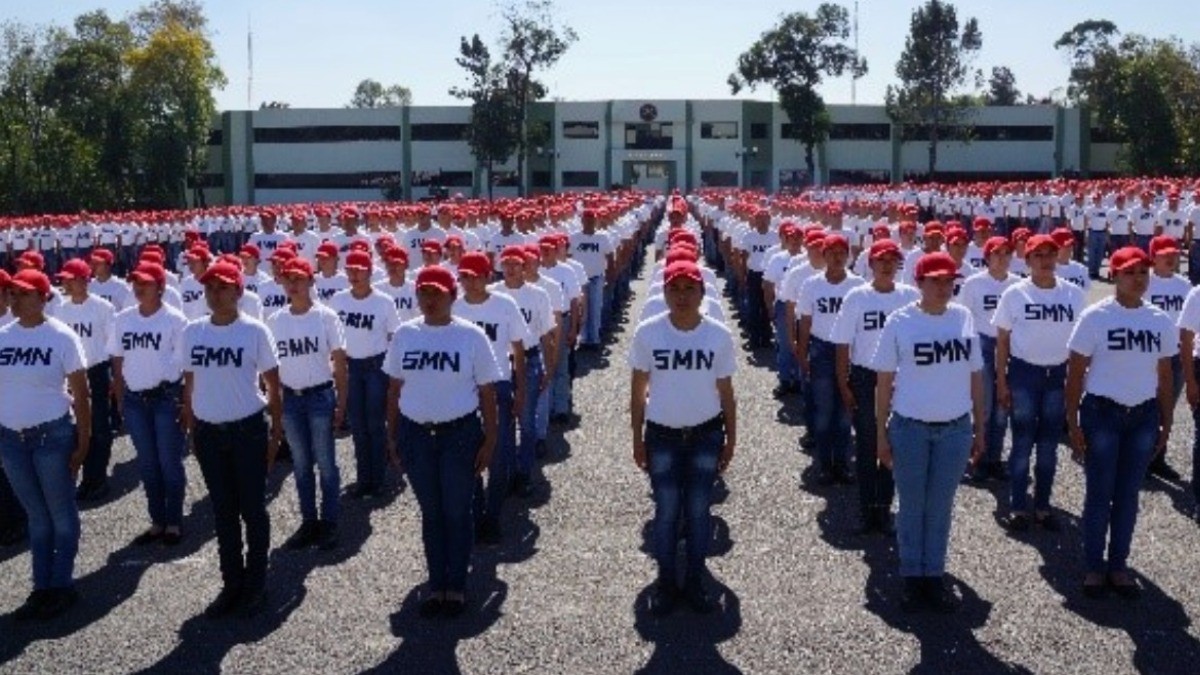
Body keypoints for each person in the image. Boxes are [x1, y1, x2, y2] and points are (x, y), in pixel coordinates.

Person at [383, 265, 500, 619]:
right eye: (424, 292)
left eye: (437, 293)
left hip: (459, 436)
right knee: (432, 513)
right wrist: (392, 436)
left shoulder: (471, 336)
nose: (430, 299)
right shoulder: (405, 334)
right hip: (416, 435)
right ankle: (437, 585)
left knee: (457, 511)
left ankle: (457, 586)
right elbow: (394, 389)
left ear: (453, 295)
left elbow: (487, 392)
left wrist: (490, 439)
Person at [872, 252, 984, 613]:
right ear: (919, 282)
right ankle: (911, 576)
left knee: (940, 506)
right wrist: (880, 433)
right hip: (910, 428)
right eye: (935, 280)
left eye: (949, 280)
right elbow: (884, 382)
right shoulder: (900, 321)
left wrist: (980, 428)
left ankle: (933, 575)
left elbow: (975, 375)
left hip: (955, 428)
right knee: (911, 505)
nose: (943, 286)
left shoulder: (963, 317)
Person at [629, 260, 737, 617]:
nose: (682, 296)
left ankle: (694, 580)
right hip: (662, 435)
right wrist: (637, 438)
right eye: (674, 289)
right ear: (664, 293)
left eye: (690, 288)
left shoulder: (717, 335)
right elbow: (638, 390)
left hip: (706, 433)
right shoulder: (648, 333)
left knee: (698, 510)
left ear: (702, 293)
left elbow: (726, 391)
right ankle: (665, 582)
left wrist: (731, 438)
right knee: (666, 511)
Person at [1066, 246, 1175, 598]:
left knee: (1128, 495)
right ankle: (1093, 566)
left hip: (1143, 415)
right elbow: (1076, 372)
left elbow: (1165, 374)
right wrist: (1072, 421)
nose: (1138, 279)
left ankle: (1118, 565)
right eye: (1130, 272)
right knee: (1100, 492)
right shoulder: (1095, 317)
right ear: (1113, 275)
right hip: (1102, 414)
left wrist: (1167, 421)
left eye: (1143, 272)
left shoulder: (1159, 319)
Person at [181, 261, 283, 619]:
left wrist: (276, 433)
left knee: (252, 509)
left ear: (239, 291)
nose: (215, 293)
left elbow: (273, 385)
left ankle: (256, 583)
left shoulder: (255, 331)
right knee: (223, 511)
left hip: (247, 431)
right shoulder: (192, 332)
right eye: (210, 287)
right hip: (209, 433)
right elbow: (190, 384)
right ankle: (232, 583)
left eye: (223, 287)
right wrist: (192, 428)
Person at [0, 269, 91, 620]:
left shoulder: (61, 337)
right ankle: (42, 587)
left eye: (25, 293)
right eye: (13, 293)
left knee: (60, 514)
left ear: (43, 298)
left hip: (51, 436)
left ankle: (62, 584)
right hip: (11, 439)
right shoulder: (3, 336)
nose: (16, 299)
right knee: (36, 516)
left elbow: (81, 394)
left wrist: (83, 441)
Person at [993, 234, 1084, 532]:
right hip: (1024, 374)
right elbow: (1002, 340)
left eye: (1050, 254)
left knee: (1048, 445)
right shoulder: (1014, 294)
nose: (1045, 261)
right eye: (1038, 255)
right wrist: (1001, 381)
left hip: (1057, 376)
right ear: (1028, 260)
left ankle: (1043, 505)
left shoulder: (1073, 294)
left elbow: (1081, 342)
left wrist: (1078, 381)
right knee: (1021, 441)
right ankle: (1018, 504)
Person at [832, 240, 919, 534]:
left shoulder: (909, 296)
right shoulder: (857, 297)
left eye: (892, 260)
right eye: (881, 260)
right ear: (870, 264)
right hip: (866, 377)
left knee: (894, 442)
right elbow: (842, 343)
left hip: (901, 378)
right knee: (868, 443)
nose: (886, 265)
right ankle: (866, 507)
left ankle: (884, 506)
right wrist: (843, 382)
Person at [267, 258, 347, 551]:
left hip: (319, 397)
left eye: (299, 278)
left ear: (311, 281)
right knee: (301, 465)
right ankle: (309, 521)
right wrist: (274, 405)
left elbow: (340, 363)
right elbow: (271, 368)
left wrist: (342, 403)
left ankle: (330, 522)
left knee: (326, 463)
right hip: (291, 399)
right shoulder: (275, 320)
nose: (293, 284)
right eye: (288, 278)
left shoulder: (326, 317)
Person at [109, 262, 188, 547]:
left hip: (166, 398)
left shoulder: (175, 320)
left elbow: (187, 366)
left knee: (169, 461)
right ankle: (157, 520)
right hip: (134, 400)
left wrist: (186, 402)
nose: (139, 288)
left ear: (161, 287)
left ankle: (174, 521)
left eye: (145, 283)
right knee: (147, 462)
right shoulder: (123, 319)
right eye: (136, 283)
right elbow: (117, 359)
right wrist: (120, 396)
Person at [452, 252, 528, 545]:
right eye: (465, 277)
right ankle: (475, 510)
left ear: (487, 277)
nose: (470, 282)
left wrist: (521, 389)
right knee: (468, 453)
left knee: (499, 455)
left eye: (476, 277)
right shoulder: (455, 307)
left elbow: (518, 349)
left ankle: (492, 515)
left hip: (498, 386)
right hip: (465, 389)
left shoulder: (504, 305)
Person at [328, 250, 400, 499]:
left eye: (359, 270)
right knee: (357, 424)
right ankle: (363, 478)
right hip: (350, 366)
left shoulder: (384, 301)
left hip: (375, 366)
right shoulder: (338, 300)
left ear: (369, 272)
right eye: (350, 270)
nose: (354, 274)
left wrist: (393, 372)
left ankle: (377, 478)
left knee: (375, 423)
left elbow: (394, 337)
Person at [795, 234, 864, 485]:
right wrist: (802, 353)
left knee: (845, 409)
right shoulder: (811, 285)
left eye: (841, 252)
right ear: (823, 255)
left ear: (848, 256)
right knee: (824, 408)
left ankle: (843, 462)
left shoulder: (858, 285)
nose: (837, 257)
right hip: (822, 349)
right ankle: (825, 463)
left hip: (850, 350)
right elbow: (805, 322)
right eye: (831, 252)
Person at [956, 236, 1021, 482]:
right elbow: (963, 318)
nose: (1002, 258)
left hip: (1009, 346)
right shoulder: (973, 283)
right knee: (983, 405)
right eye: (997, 253)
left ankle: (994, 458)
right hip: (982, 344)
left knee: (1002, 406)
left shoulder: (1017, 284)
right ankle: (978, 458)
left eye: (1006, 253)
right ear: (987, 256)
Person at [52, 258, 116, 502]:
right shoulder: (61, 309)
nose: (65, 284)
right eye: (64, 280)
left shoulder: (102, 307)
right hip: (71, 374)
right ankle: (82, 477)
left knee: (99, 427)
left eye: (70, 279)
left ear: (83, 280)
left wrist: (114, 376)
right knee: (78, 427)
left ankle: (96, 479)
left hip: (96, 371)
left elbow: (113, 345)